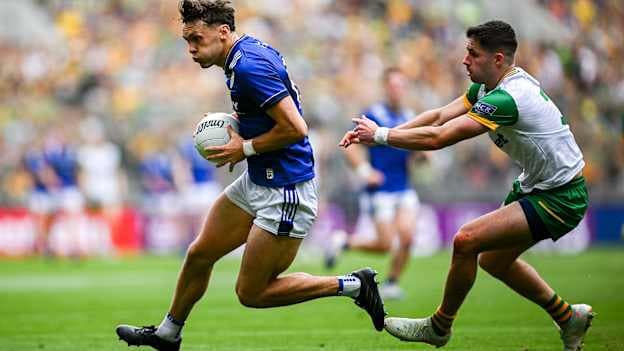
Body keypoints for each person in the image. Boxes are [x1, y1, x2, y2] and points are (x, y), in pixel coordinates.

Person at [116, 1, 385, 350]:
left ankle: (353, 285)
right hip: (258, 178)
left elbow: (297, 129)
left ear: (223, 32)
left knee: (252, 292)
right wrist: (235, 125)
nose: (191, 48)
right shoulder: (241, 56)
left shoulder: (248, 67)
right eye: (186, 40)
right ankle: (169, 333)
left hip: (285, 189)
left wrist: (242, 149)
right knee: (200, 253)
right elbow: (269, 113)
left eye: (196, 38)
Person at [340, 20, 593, 350]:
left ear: (498, 59)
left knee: (466, 240)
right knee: (492, 260)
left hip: (561, 196)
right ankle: (567, 318)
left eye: (473, 54)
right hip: (538, 186)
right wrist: (381, 135)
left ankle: (439, 326)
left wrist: (383, 136)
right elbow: (437, 117)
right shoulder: (488, 88)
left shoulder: (507, 98)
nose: (464, 60)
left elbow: (439, 138)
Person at [326, 67, 420, 300]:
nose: (397, 90)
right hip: (380, 189)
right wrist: (365, 171)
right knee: (386, 245)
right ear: (385, 87)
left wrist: (421, 155)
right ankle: (344, 241)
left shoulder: (410, 116)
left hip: (404, 186)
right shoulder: (374, 114)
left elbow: (413, 152)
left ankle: (392, 283)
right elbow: (352, 145)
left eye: (401, 85)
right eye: (393, 85)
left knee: (407, 237)